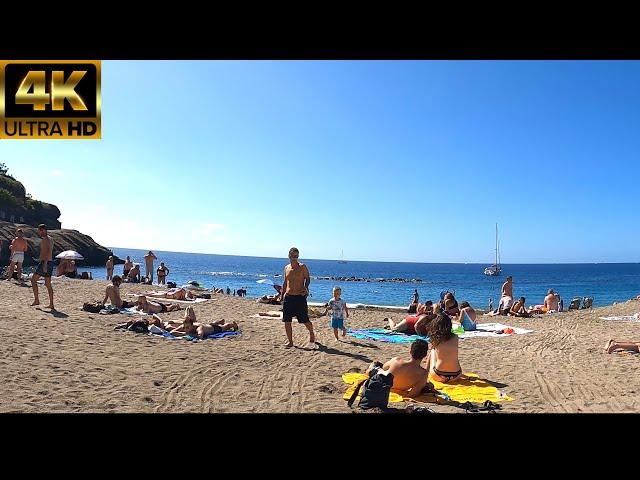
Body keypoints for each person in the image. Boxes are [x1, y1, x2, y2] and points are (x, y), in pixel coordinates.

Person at [279, 247, 315, 348]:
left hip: (300, 297)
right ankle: (290, 342)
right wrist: (282, 296)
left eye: (296, 256)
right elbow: (285, 282)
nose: (295, 258)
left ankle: (312, 333)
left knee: (304, 320)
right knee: (287, 321)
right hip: (288, 297)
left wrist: (306, 287)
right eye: (293, 256)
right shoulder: (286, 268)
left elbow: (307, 278)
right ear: (289, 256)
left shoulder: (302, 267)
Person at [424, 313, 462, 383]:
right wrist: (455, 320)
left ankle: (425, 373)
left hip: (438, 375)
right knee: (453, 355)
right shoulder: (455, 335)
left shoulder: (436, 337)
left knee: (433, 350)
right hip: (456, 375)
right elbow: (459, 326)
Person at [31, 224, 55, 310]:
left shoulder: (46, 239)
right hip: (49, 262)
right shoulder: (50, 238)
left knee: (33, 280)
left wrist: (44, 264)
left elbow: (48, 251)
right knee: (48, 284)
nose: (39, 233)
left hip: (45, 262)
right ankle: (51, 304)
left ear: (43, 230)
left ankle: (37, 300)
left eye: (39, 231)